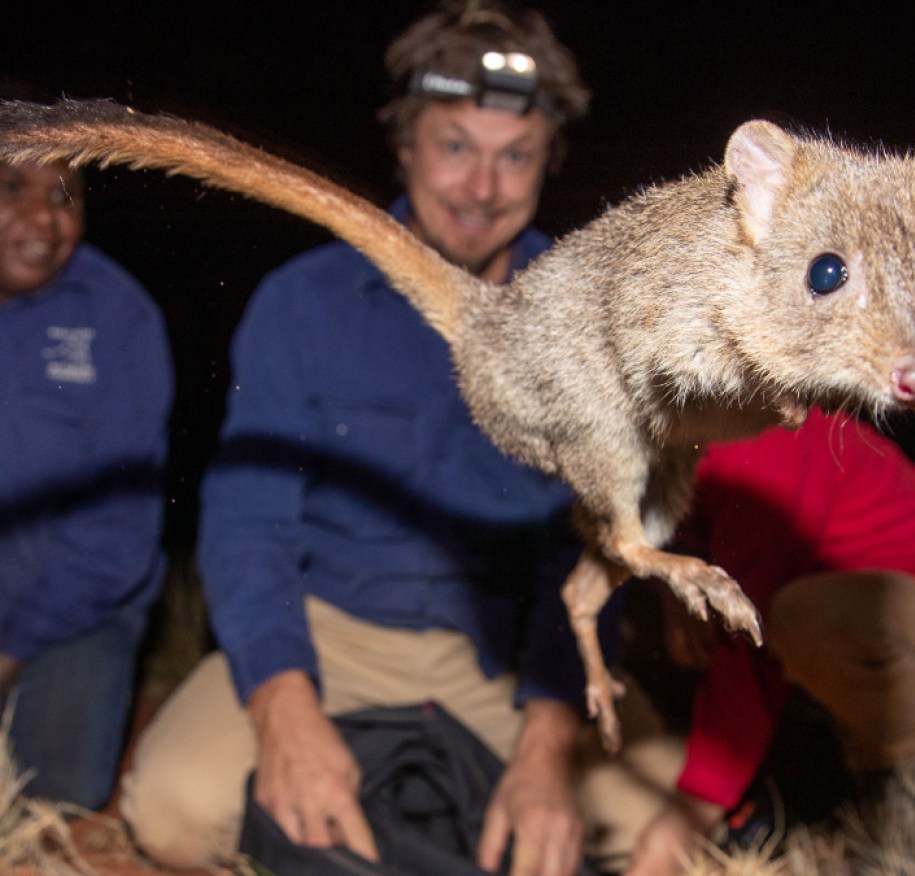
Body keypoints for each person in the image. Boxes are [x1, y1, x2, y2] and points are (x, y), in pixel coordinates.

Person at [118, 3, 637, 874]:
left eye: (515, 156)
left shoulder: (596, 325)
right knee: (172, 810)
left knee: (643, 826)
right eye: (455, 147)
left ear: (550, 161)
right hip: (330, 633)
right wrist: (285, 710)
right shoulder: (302, 301)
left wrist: (547, 746)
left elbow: (592, 555)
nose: (482, 187)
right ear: (403, 144)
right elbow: (250, 521)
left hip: (507, 658)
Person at [617, 409, 915, 876]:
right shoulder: (679, 445)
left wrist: (685, 820)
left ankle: (903, 796)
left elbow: (749, 642)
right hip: (820, 631)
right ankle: (789, 789)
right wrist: (671, 584)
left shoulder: (756, 438)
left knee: (795, 617)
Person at [0, 153, 174, 810]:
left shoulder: (120, 318)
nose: (42, 217)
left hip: (78, 603)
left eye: (64, 194)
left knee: (58, 794)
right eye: (11, 189)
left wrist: (10, 652)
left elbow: (117, 535)